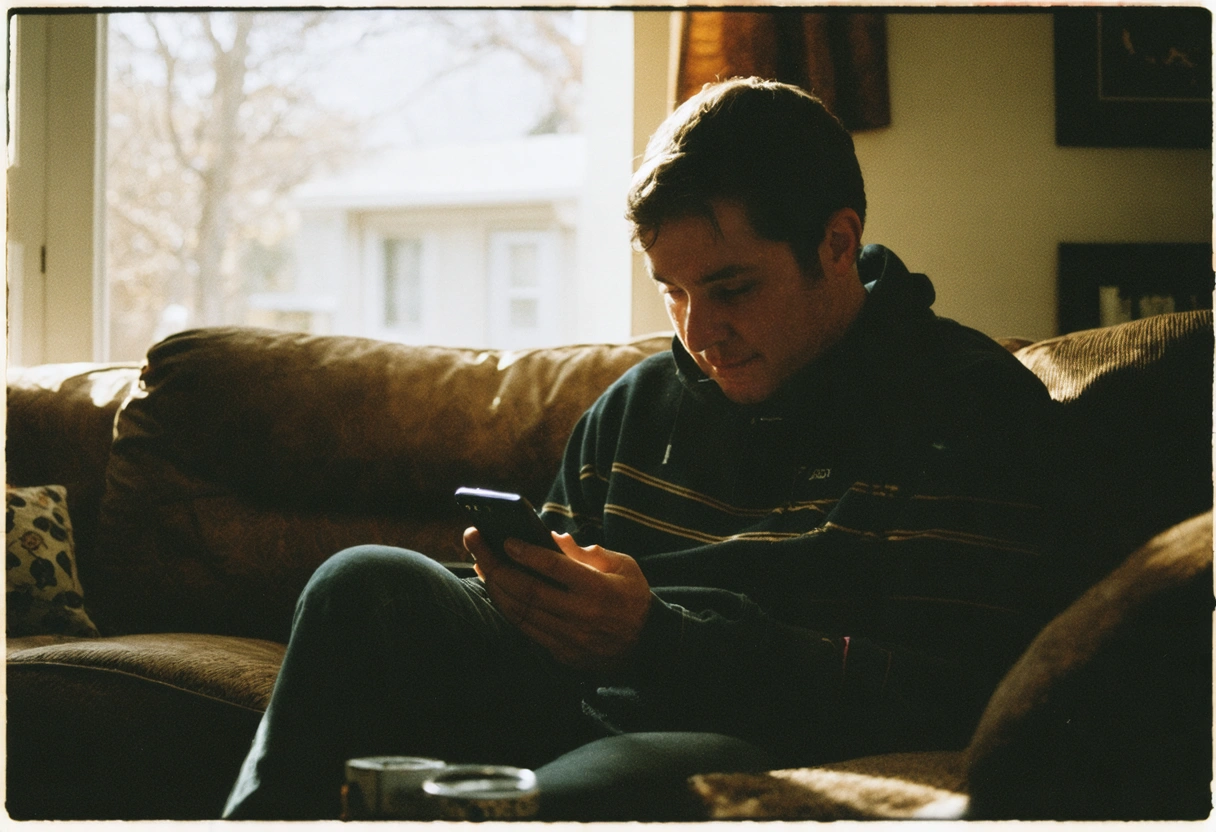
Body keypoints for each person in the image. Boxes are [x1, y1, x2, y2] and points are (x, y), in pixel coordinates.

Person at [223, 77, 1057, 821]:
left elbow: (960, 694)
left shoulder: (969, 408)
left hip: (738, 730)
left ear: (837, 244)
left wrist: (658, 642)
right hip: (571, 692)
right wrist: (520, 589)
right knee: (363, 580)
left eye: (732, 288)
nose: (699, 334)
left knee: (590, 791)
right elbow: (542, 599)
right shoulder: (641, 403)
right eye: (672, 292)